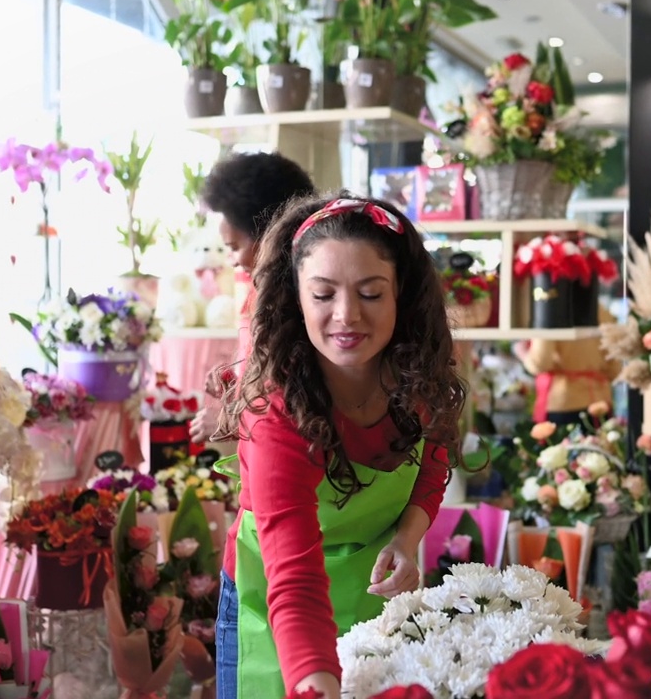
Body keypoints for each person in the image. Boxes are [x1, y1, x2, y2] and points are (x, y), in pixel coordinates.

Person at [211, 193, 466, 698]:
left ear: (402, 296)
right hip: (274, 605)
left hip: (376, 596)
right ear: (295, 299)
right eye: (323, 295)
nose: (346, 315)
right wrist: (315, 684)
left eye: (371, 294)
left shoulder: (418, 379)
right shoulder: (277, 412)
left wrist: (407, 537)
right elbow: (294, 580)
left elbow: (432, 461)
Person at [189, 151, 315, 444]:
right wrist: (242, 378)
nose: (232, 260)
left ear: (272, 233)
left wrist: (233, 418)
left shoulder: (307, 301)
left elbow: (306, 408)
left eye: (233, 246)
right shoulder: (269, 291)